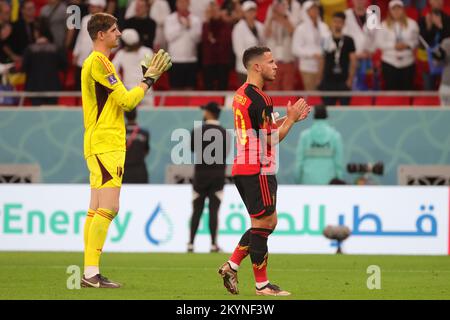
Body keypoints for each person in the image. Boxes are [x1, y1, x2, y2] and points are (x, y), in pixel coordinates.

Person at [80, 12, 171, 288]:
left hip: (98, 141)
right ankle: (90, 273)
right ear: (101, 35)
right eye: (114, 29)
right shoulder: (101, 63)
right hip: (106, 142)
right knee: (109, 207)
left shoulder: (95, 63)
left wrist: (143, 80)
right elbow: (127, 101)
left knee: (96, 208)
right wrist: (149, 80)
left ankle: (89, 272)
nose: (119, 33)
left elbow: (119, 99)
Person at [218, 46, 310, 296]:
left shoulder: (241, 94)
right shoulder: (262, 99)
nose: (276, 66)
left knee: (267, 221)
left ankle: (232, 265)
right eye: (270, 61)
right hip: (257, 166)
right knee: (263, 223)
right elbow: (271, 139)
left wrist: (288, 120)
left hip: (244, 165)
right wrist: (290, 119)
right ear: (256, 66)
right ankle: (261, 285)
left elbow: (260, 131)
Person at [188, 102, 229, 253]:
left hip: (200, 176)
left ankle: (191, 243)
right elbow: (226, 152)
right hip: (217, 176)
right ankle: (213, 244)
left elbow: (192, 148)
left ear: (209, 113)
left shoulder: (198, 131)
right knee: (214, 210)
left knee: (196, 210)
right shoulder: (225, 133)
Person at [295, 105, 344, 185]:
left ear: (314, 116)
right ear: (327, 116)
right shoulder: (335, 136)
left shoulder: (305, 136)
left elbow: (299, 162)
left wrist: (297, 181)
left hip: (307, 181)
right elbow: (339, 163)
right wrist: (339, 181)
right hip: (329, 181)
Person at [22, 18, 67, 106]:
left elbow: (24, 68)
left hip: (34, 87)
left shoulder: (30, 50)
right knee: (51, 116)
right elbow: (64, 66)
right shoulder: (57, 49)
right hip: (53, 86)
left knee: (37, 116)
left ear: (37, 32)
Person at [376, 0, 418, 91]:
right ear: (390, 11)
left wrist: (407, 45)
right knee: (392, 93)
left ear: (403, 10)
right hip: (389, 63)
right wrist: (393, 46)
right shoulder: (383, 25)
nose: (396, 11)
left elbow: (416, 41)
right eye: (393, 9)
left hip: (408, 63)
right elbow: (379, 43)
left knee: (407, 91)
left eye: (399, 8)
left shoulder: (412, 24)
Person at [320, 12, 357, 106]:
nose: (337, 24)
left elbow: (353, 61)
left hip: (343, 80)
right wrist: (320, 79)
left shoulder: (349, 40)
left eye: (340, 22)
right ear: (331, 23)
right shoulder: (326, 39)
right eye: (335, 21)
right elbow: (322, 59)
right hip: (328, 80)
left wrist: (350, 80)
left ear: (344, 24)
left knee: (345, 110)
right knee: (328, 109)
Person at [263, 0, 302, 91]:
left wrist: (282, 18)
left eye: (281, 6)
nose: (278, 8)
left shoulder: (290, 16)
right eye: (277, 6)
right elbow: (266, 34)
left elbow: (292, 31)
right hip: (273, 60)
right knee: (272, 88)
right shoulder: (270, 17)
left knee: (288, 88)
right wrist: (271, 18)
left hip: (287, 59)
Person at [292, 1, 330, 90]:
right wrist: (312, 54)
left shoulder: (324, 26)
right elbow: (295, 49)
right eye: (312, 9)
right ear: (306, 11)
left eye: (316, 8)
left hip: (323, 66)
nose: (315, 11)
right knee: (312, 93)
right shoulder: (301, 28)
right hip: (307, 67)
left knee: (323, 94)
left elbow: (328, 44)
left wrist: (323, 53)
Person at [164, 0, 202, 90]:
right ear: (176, 4)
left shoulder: (195, 19)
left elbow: (198, 39)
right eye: (180, 2)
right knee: (175, 88)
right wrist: (182, 26)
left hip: (191, 59)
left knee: (190, 88)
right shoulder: (170, 19)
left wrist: (189, 27)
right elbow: (169, 37)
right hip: (174, 60)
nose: (182, 4)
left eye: (185, 2)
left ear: (189, 3)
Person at [112, 28, 154, 105]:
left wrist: (119, 84)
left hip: (130, 90)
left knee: (130, 116)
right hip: (145, 89)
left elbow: (112, 71)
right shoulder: (147, 51)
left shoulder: (121, 54)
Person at [342, 0, 376, 90]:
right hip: (352, 57)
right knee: (352, 85)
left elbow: (376, 36)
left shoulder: (372, 15)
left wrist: (370, 51)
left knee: (369, 85)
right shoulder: (346, 14)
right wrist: (354, 53)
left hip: (368, 57)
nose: (359, 1)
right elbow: (344, 36)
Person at [201, 0, 233, 90]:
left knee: (222, 88)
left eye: (215, 9)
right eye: (211, 10)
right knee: (208, 88)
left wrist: (213, 41)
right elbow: (204, 40)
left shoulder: (225, 24)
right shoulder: (205, 25)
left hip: (222, 61)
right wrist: (207, 22)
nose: (213, 12)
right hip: (209, 61)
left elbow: (225, 42)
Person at [418, 0, 450, 90]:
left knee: (446, 88)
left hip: (445, 59)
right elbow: (422, 41)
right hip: (428, 60)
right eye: (435, 0)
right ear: (430, 2)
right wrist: (429, 27)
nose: (437, 2)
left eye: (439, 1)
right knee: (429, 89)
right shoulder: (423, 19)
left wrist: (440, 26)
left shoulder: (448, 19)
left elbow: (448, 40)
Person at [232, 1, 265, 85]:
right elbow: (238, 50)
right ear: (244, 13)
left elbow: (264, 44)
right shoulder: (238, 28)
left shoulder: (260, 26)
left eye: (253, 11)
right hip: (244, 68)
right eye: (248, 11)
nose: (251, 13)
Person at [123, 108, 150, 183]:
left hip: (124, 171)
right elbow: (146, 151)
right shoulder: (144, 133)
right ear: (136, 115)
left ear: (124, 115)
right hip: (140, 171)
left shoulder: (120, 133)